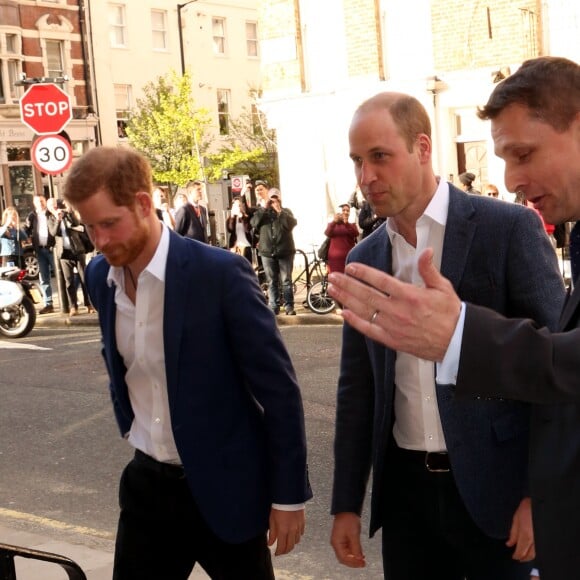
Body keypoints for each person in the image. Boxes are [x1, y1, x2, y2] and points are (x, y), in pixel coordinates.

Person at [326, 56, 580, 580]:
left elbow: (558, 360)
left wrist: (536, 494)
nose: (366, 176)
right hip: (407, 498)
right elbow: (359, 390)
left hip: (498, 498)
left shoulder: (504, 229)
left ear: (422, 148)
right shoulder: (364, 259)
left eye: (379, 156)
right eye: (356, 161)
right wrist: (346, 502)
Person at [63, 146, 312, 580]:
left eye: (108, 223)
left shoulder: (219, 275)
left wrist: (288, 496)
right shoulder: (99, 278)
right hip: (147, 490)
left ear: (144, 204)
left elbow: (279, 390)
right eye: (89, 226)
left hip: (224, 488)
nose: (100, 240)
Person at [250, 188, 298, 315]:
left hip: (285, 251)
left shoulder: (286, 212)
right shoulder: (262, 213)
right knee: (271, 281)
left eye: (276, 198)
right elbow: (254, 223)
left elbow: (291, 225)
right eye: (272, 198)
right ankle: (274, 306)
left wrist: (280, 211)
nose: (274, 201)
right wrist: (264, 208)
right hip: (267, 252)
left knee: (286, 280)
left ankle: (289, 306)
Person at [47, 198, 95, 316]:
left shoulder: (67, 214)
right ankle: (73, 306)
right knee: (69, 281)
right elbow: (53, 233)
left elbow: (77, 223)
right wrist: (58, 220)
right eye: (51, 206)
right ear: (49, 208)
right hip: (64, 253)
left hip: (77, 250)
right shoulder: (51, 219)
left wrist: (70, 211)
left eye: (55, 205)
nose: (54, 207)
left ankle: (89, 304)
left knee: (84, 278)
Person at [25, 194, 55, 314]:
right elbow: (26, 228)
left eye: (42, 201)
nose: (40, 204)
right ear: (34, 203)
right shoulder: (32, 215)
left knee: (62, 275)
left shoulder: (50, 213)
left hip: (52, 249)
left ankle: (70, 301)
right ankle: (48, 304)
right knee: (44, 278)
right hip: (40, 251)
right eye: (38, 202)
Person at [324, 204, 358, 274]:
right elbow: (327, 233)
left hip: (349, 258)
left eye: (347, 211)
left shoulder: (352, 225)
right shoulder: (332, 224)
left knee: (349, 279)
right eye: (343, 210)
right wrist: (334, 222)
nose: (345, 212)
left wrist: (347, 224)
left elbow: (355, 234)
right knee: (337, 280)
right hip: (334, 259)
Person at [226, 196, 253, 262]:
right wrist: (232, 217)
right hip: (235, 246)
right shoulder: (231, 218)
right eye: (235, 205)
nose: (238, 207)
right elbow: (230, 229)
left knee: (246, 267)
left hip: (246, 245)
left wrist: (241, 216)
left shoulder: (247, 216)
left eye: (239, 205)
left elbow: (248, 229)